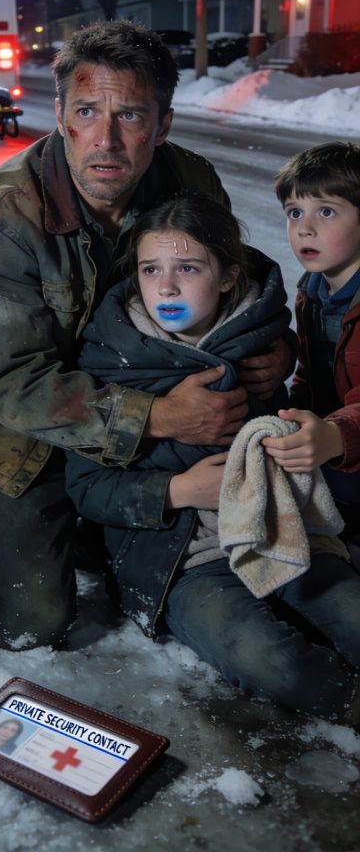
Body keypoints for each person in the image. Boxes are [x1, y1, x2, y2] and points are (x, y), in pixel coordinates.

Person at [0, 20, 291, 652]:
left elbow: (239, 283)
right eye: (87, 111)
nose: (106, 139)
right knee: (30, 622)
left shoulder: (191, 181)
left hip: (148, 391)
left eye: (130, 116)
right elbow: (15, 386)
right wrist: (159, 417)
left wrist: (275, 349)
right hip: (21, 426)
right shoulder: (0, 219)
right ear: (61, 116)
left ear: (163, 125)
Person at [65, 194, 360, 725]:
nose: (166, 287)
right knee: (272, 661)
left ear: (228, 277)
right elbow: (87, 487)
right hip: (185, 557)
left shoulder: (260, 344)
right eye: (150, 269)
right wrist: (177, 490)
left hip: (281, 529)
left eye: (188, 268)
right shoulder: (109, 361)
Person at [262, 142, 360, 548]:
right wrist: (294, 417)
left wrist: (336, 436)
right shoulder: (313, 291)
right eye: (294, 213)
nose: (305, 228)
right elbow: (312, 371)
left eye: (327, 212)